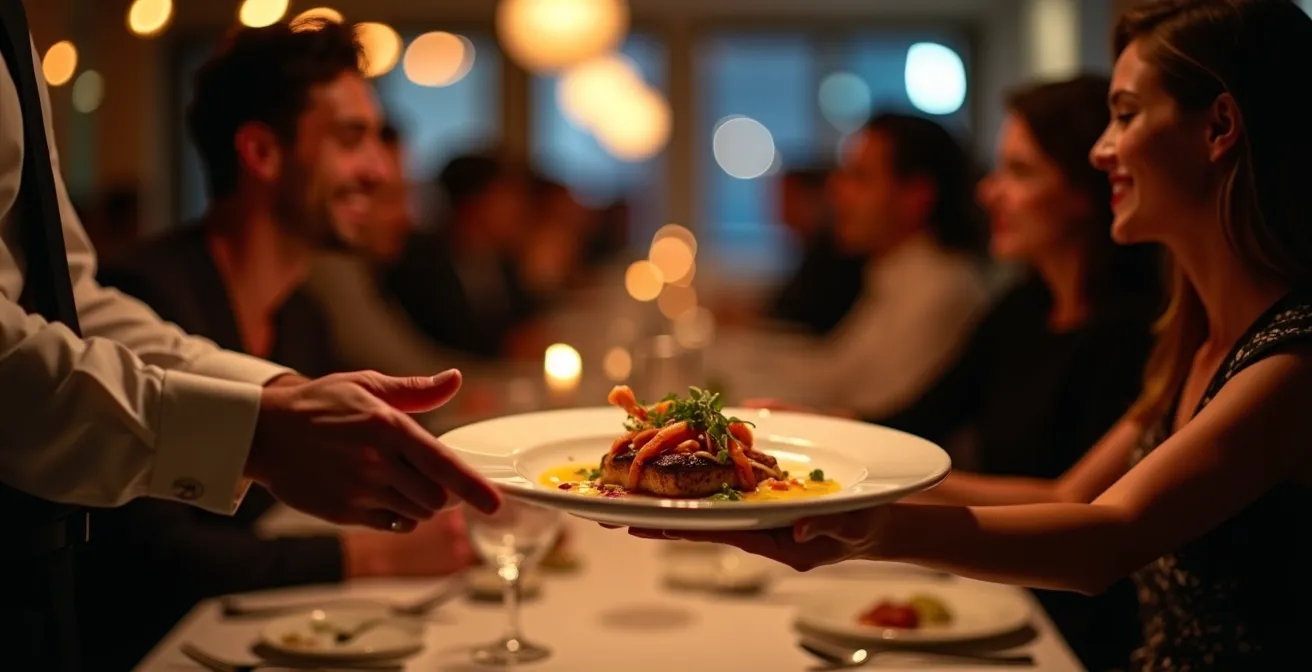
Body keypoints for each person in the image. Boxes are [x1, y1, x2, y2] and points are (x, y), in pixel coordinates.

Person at [641, 1, 1312, 668]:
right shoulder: (1187, 337)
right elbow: (1064, 497)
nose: (1101, 151)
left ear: (1221, 125)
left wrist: (870, 530)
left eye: (1127, 115)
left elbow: (1109, 538)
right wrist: (823, 445)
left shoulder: (1294, 358)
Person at [0, 5, 499, 670]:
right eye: (352, 138)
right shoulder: (157, 283)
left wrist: (283, 404)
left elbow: (74, 298)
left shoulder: (301, 318)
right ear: (261, 152)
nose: (384, 173)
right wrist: (267, 435)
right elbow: (149, 560)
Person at [729, 113, 992, 417]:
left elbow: (876, 414)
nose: (837, 192)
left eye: (859, 177)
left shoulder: (943, 289)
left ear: (916, 197)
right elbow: (836, 370)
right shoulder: (895, 274)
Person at [385, 153, 540, 359]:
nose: (519, 209)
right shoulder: (421, 263)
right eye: (506, 199)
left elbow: (526, 321)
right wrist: (504, 348)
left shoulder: (501, 258)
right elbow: (439, 341)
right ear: (473, 205)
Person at [765, 166, 866, 335]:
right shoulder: (813, 251)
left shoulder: (838, 256)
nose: (779, 209)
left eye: (788, 199)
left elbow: (808, 325)